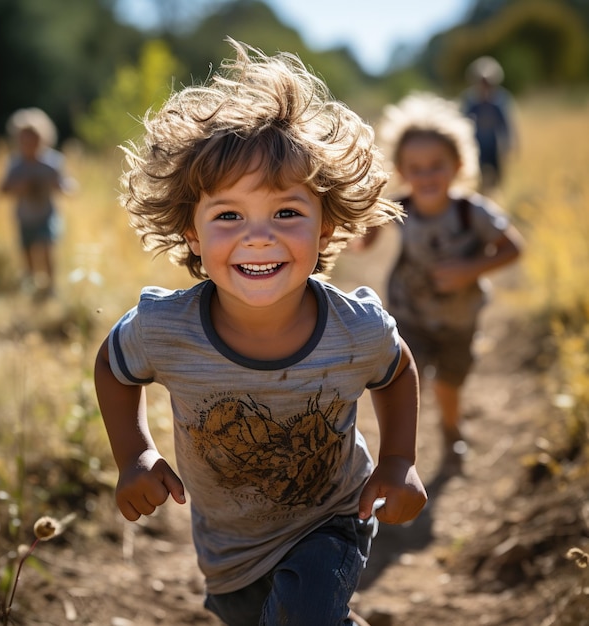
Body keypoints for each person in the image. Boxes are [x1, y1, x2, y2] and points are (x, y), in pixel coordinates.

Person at [94, 39, 427, 626]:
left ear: (326, 226)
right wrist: (135, 454)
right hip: (229, 551)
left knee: (305, 612)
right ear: (191, 233)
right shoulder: (165, 329)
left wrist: (398, 459)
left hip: (334, 518)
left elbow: (396, 369)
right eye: (228, 216)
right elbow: (114, 366)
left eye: (286, 213)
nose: (258, 237)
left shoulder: (355, 329)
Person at [360, 92, 524, 476]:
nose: (426, 176)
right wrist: (360, 217)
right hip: (408, 313)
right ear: (401, 171)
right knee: (403, 381)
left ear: (459, 164)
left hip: (458, 319)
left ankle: (452, 431)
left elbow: (513, 247)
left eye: (437, 165)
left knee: (449, 386)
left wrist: (470, 269)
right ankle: (399, 460)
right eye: (415, 168)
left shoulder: (472, 210)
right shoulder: (400, 207)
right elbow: (363, 242)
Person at [0, 107, 72, 298]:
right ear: (18, 139)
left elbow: (67, 185)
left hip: (47, 215)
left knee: (47, 248)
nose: (29, 143)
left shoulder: (52, 162)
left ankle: (51, 288)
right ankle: (31, 287)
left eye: (34, 138)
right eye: (25, 138)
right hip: (24, 217)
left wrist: (62, 187)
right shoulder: (15, 164)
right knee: (28, 253)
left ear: (44, 138)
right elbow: (2, 189)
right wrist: (17, 187)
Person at [461, 56, 516, 192]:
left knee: (496, 178)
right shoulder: (470, 101)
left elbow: (506, 125)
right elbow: (462, 124)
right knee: (476, 177)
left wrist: (508, 145)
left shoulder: (499, 100)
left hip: (494, 145)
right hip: (475, 145)